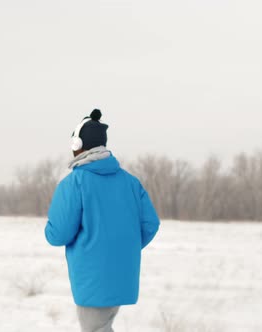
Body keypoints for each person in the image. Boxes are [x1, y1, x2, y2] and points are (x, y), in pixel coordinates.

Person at [44, 109, 160, 332]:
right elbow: (150, 224)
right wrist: (125, 247)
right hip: (122, 275)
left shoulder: (74, 183)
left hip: (92, 278)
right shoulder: (131, 182)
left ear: (78, 144)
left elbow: (58, 234)